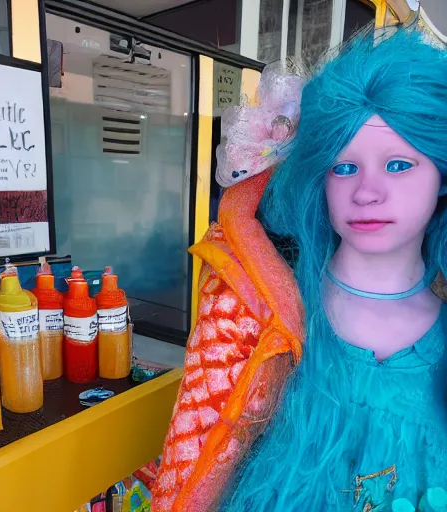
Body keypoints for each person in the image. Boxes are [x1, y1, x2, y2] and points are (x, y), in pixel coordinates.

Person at [152, 24, 447, 512]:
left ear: (441, 175)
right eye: (344, 167)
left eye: (398, 165)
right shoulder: (257, 315)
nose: (366, 192)